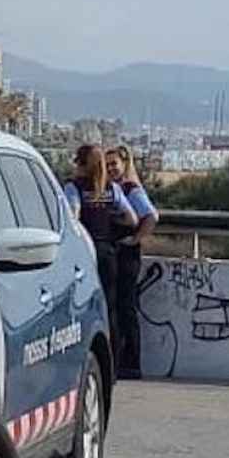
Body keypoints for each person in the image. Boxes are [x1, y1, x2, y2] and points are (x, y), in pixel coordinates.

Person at [62, 144, 138, 356]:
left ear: (82, 164)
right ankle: (112, 359)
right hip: (108, 254)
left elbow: (72, 217)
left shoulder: (73, 187)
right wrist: (111, 221)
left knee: (81, 308)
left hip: (86, 254)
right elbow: (131, 218)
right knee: (110, 307)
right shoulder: (111, 188)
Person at [108, 144, 159, 379]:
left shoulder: (131, 190)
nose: (110, 169)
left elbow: (150, 216)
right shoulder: (110, 189)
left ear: (124, 164)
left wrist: (135, 238)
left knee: (125, 307)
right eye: (106, 165)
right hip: (114, 253)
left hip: (126, 256)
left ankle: (131, 361)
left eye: (114, 164)